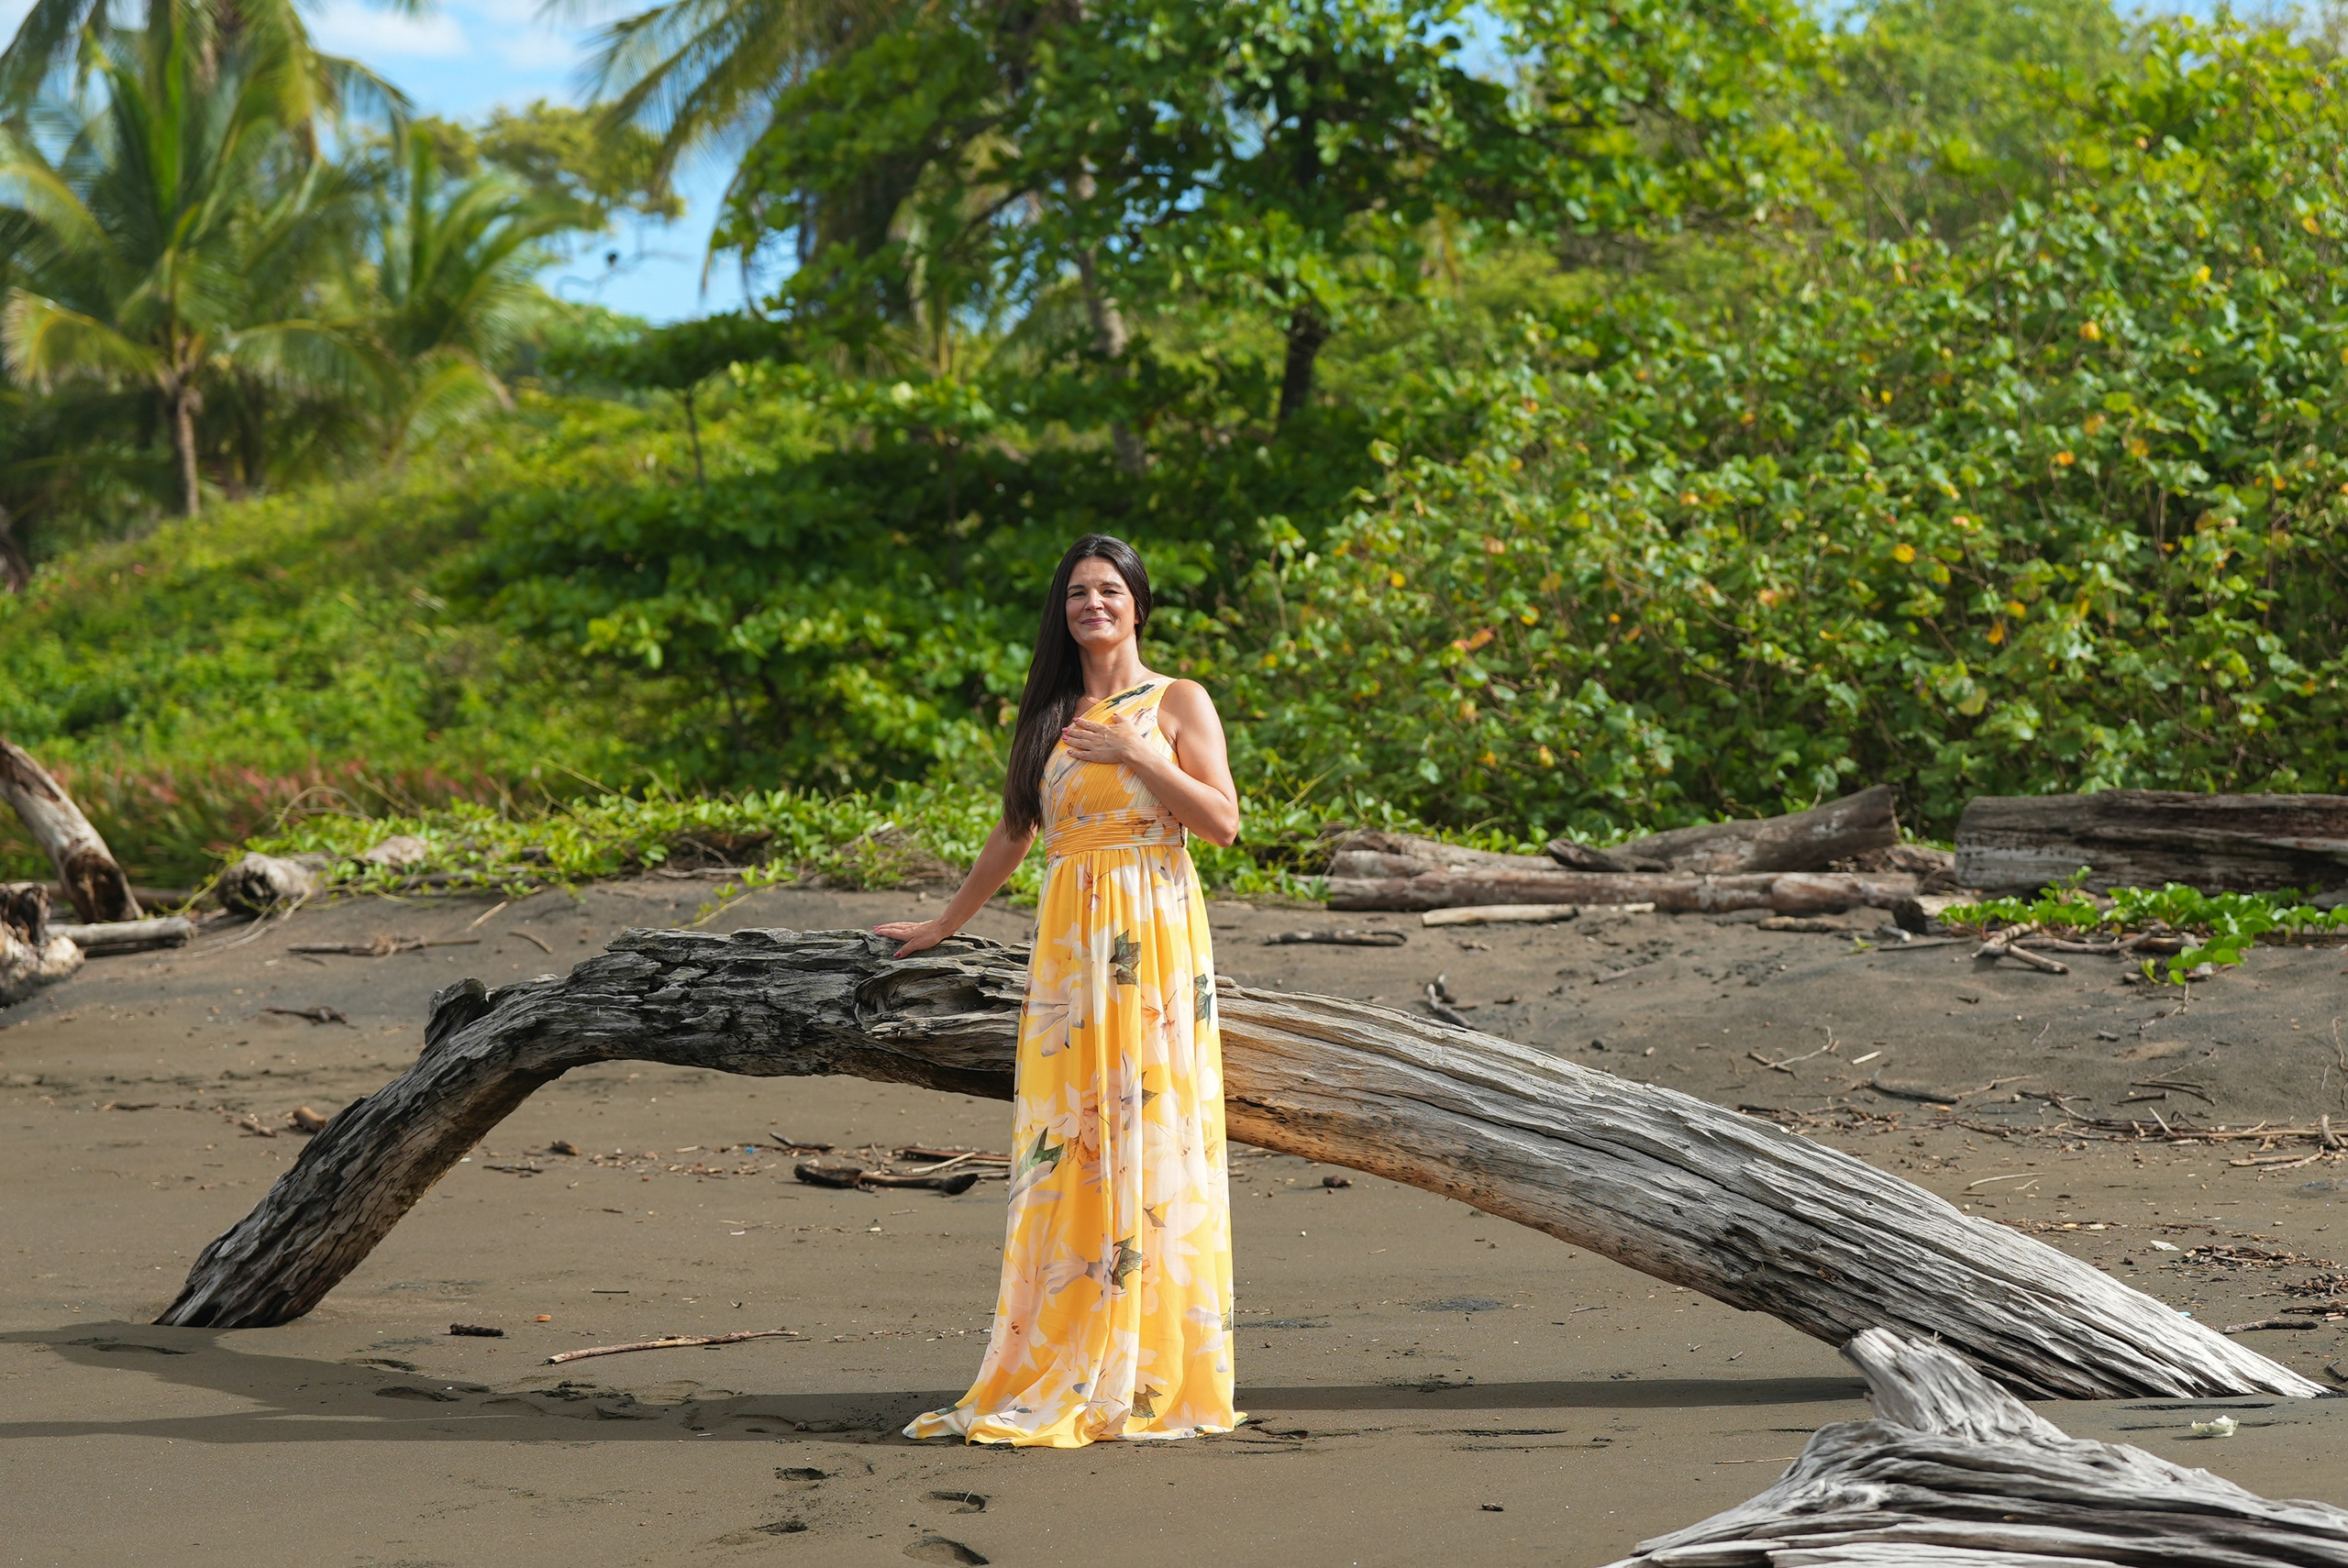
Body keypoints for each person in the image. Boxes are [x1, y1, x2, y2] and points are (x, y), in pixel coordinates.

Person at [877, 534, 1244, 1447]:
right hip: (1070, 942)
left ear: (1137, 603)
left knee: (1151, 1126)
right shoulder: (1044, 715)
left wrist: (1137, 752)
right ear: (1063, 611)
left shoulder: (1177, 701)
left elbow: (1224, 822)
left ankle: (1154, 1364)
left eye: (1109, 589)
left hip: (1155, 929)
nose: (1093, 603)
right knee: (1073, 1132)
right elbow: (1013, 833)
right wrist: (941, 926)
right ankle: (1072, 1340)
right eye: (1078, 592)